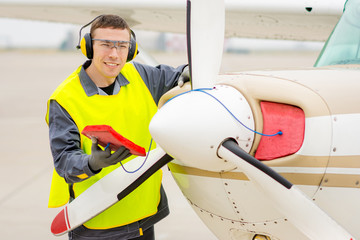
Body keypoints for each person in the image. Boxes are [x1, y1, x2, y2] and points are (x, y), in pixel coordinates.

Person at [45, 14, 189, 240]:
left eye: (122, 46)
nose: (114, 54)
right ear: (89, 47)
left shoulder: (141, 75)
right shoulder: (65, 99)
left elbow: (179, 76)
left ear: (131, 50)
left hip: (144, 214)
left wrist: (191, 72)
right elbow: (64, 162)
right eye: (105, 45)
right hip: (97, 222)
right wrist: (91, 163)